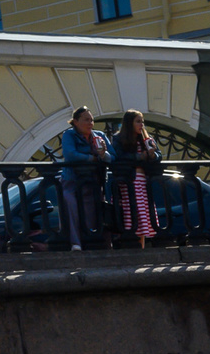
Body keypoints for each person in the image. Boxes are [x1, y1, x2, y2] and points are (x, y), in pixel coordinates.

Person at [107, 109, 162, 246]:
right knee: (130, 215)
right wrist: (139, 157)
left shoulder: (146, 139)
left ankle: (141, 246)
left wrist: (152, 155)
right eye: (138, 121)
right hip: (128, 181)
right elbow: (119, 156)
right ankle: (130, 246)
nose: (141, 125)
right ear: (129, 123)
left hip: (143, 182)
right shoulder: (119, 139)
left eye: (142, 122)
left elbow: (159, 156)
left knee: (142, 217)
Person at [56, 106, 107, 250]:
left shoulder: (99, 136)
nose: (90, 123)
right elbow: (70, 154)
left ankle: (92, 241)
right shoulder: (69, 135)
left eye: (91, 120)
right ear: (76, 122)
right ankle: (75, 243)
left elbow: (113, 156)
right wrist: (92, 158)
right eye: (86, 120)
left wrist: (104, 154)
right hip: (72, 180)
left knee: (92, 212)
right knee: (71, 207)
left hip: (93, 182)